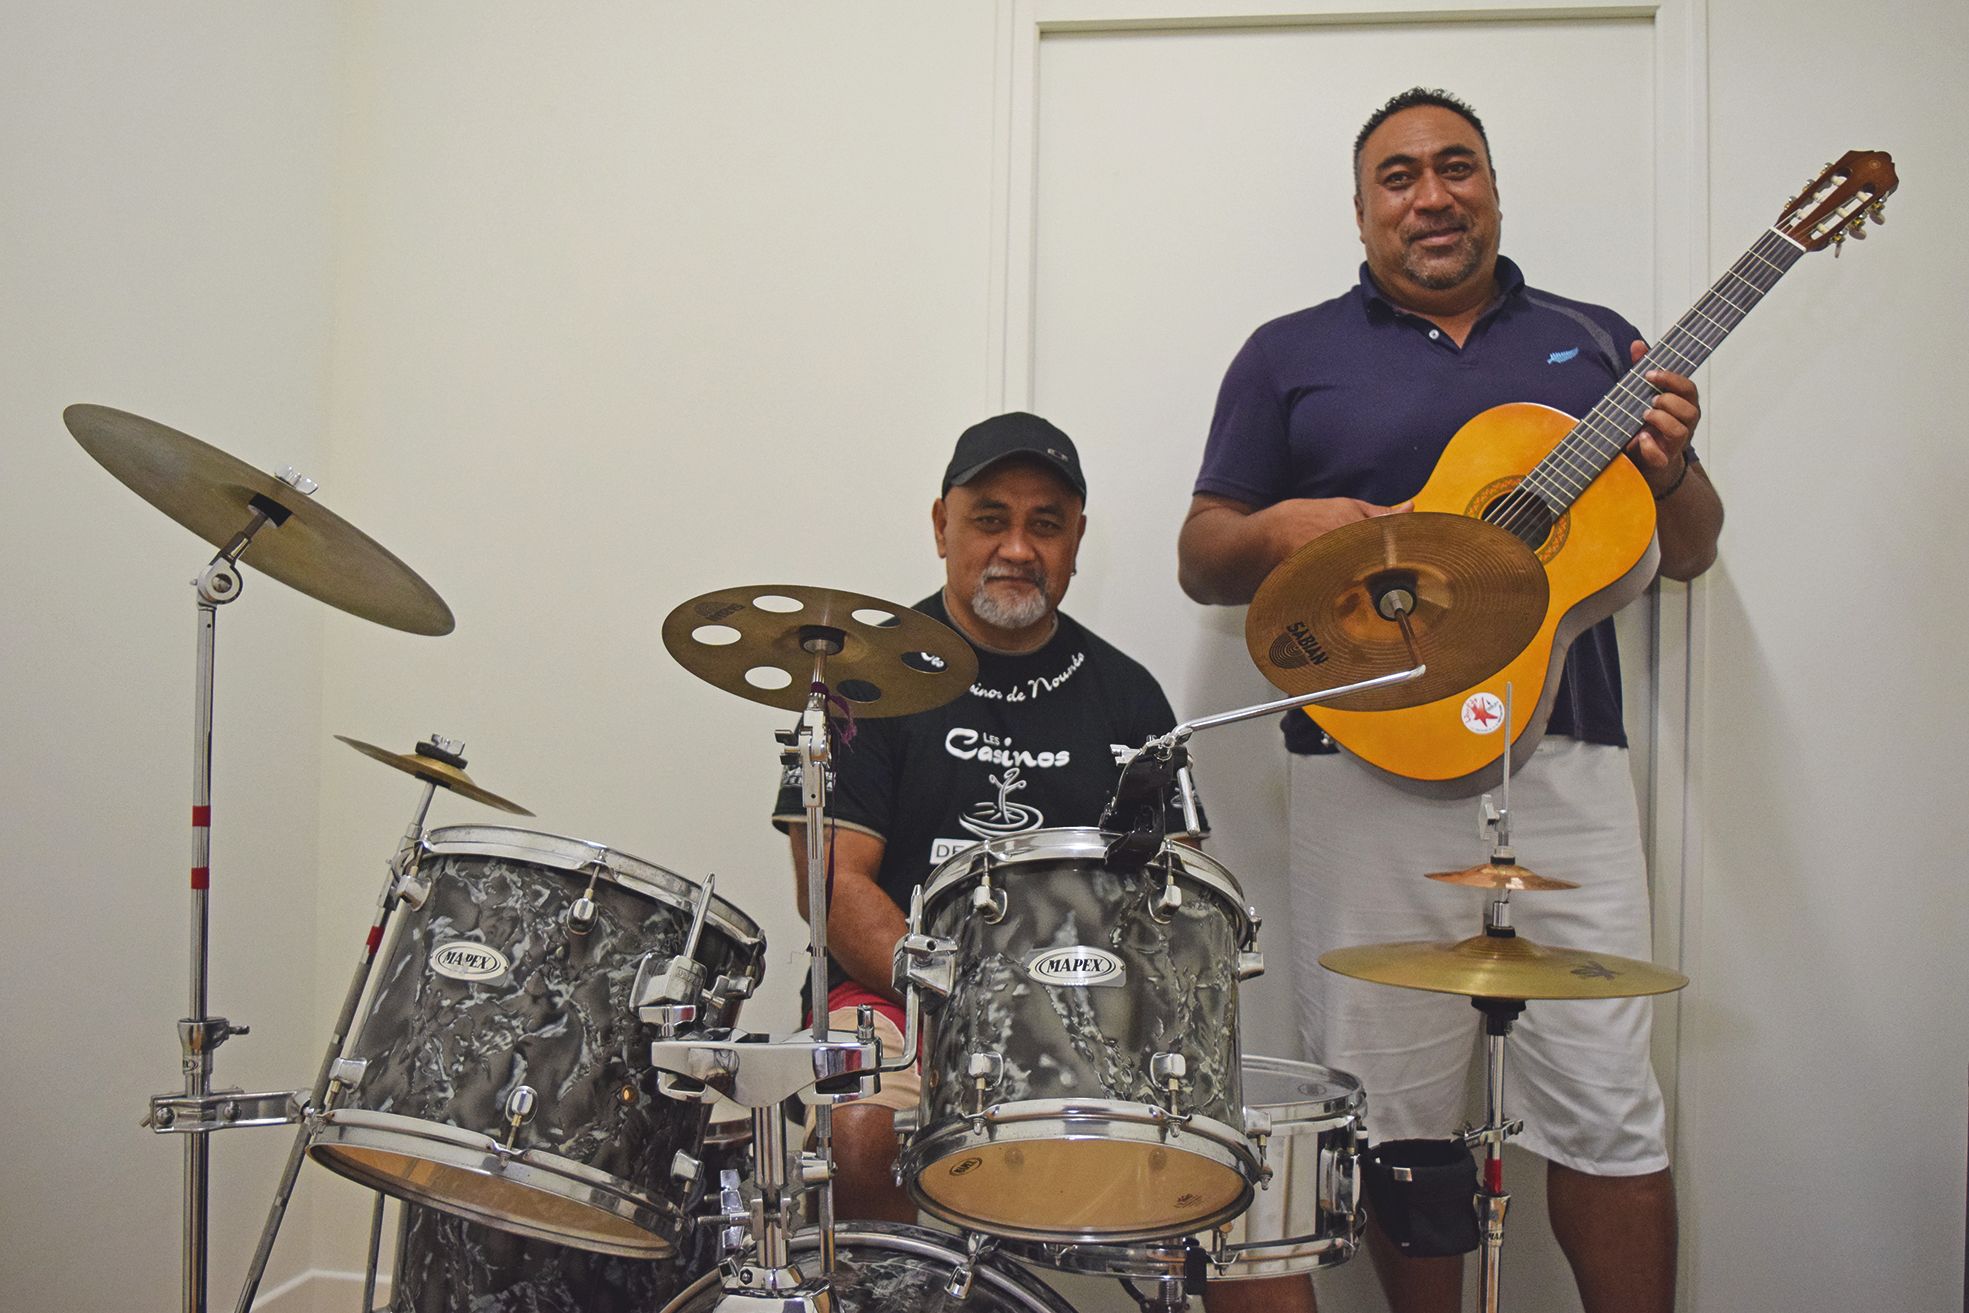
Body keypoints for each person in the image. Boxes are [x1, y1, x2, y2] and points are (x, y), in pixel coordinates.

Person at [1176, 88, 1724, 1313]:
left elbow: (1682, 550)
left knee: (1608, 1095)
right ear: (1362, 207)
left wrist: (1674, 468)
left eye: (1455, 167)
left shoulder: (1593, 340)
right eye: (1399, 176)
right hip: (1362, 762)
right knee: (1388, 1104)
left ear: (1490, 185)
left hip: (1565, 759)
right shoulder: (1287, 352)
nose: (1431, 195)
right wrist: (1277, 526)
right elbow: (1203, 553)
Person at [772, 411, 1308, 1313]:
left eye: (1045, 522)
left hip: (1094, 1017)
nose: (1016, 546)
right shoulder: (862, 675)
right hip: (901, 1005)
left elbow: (1178, 901)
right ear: (941, 523)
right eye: (989, 517)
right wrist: (964, 995)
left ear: (1075, 541)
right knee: (862, 1132)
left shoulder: (1127, 691)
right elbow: (829, 887)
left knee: (1253, 1212)